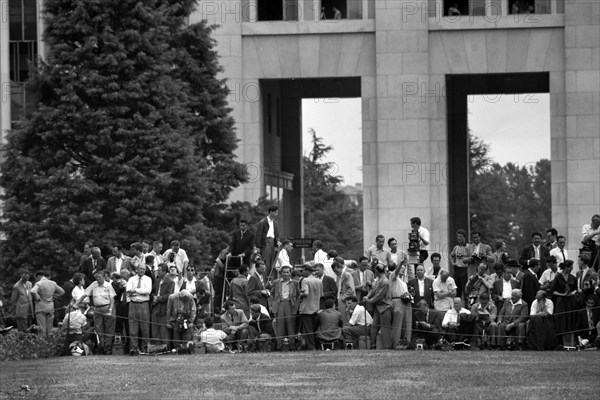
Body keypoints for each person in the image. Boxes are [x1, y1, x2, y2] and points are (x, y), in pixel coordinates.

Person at [83, 270, 116, 354]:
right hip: (97, 309)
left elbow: (112, 299)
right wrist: (76, 303)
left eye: (100, 277)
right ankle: (101, 347)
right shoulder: (94, 285)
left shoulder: (108, 286)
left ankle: (108, 349)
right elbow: (85, 294)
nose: (98, 279)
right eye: (97, 278)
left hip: (107, 307)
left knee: (109, 329)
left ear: (104, 277)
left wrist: (110, 310)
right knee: (99, 329)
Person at [270, 265, 299, 351]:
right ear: (281, 273)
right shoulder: (276, 282)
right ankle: (279, 346)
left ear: (290, 273)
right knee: (280, 325)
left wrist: (296, 304)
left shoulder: (295, 282)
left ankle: (292, 346)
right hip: (280, 304)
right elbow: (271, 293)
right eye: (284, 272)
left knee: (290, 325)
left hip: (290, 304)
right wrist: (273, 303)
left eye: (288, 272)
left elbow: (298, 294)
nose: (286, 274)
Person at [364, 264, 393, 349]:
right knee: (374, 326)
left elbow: (379, 295)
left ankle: (387, 346)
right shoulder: (378, 280)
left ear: (376, 271)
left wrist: (369, 301)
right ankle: (373, 345)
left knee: (385, 328)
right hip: (378, 307)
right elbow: (373, 290)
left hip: (385, 307)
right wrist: (367, 296)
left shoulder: (385, 281)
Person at [126, 264, 153, 355]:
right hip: (133, 304)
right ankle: (134, 348)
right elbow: (128, 290)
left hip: (144, 304)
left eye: (143, 269)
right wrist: (140, 291)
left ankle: (145, 349)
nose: (142, 270)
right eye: (140, 269)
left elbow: (148, 291)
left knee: (145, 327)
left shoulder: (148, 279)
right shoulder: (131, 279)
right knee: (133, 327)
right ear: (137, 269)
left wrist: (136, 290)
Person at [551, 259, 578, 347]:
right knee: (562, 321)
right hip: (561, 301)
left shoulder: (572, 277)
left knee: (571, 320)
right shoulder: (558, 277)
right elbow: (552, 291)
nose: (571, 269)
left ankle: (571, 343)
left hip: (571, 301)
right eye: (570, 267)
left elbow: (576, 289)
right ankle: (564, 343)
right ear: (566, 267)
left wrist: (571, 294)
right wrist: (562, 294)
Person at [31, 270, 65, 337]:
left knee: (42, 328)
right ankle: (50, 343)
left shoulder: (39, 283)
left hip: (41, 307)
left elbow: (33, 291)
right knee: (50, 328)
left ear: (39, 276)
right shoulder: (53, 283)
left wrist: (37, 297)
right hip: (50, 307)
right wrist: (53, 296)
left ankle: (42, 344)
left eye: (36, 278)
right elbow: (62, 292)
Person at [299, 264, 323, 350]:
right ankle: (314, 345)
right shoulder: (319, 280)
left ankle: (311, 346)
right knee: (313, 329)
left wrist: (299, 295)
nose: (302, 272)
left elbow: (305, 293)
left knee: (308, 329)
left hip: (307, 308)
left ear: (307, 271)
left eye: (303, 270)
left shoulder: (305, 280)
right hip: (316, 307)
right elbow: (321, 294)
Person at [388, 262, 412, 349]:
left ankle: (406, 343)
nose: (402, 269)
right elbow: (396, 271)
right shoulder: (393, 277)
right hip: (397, 301)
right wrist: (401, 262)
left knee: (407, 324)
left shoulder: (403, 282)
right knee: (397, 324)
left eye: (403, 268)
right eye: (401, 268)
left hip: (407, 302)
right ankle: (396, 343)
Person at [151, 263, 175, 347]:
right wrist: (153, 297)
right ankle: (156, 347)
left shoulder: (170, 282)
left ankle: (165, 347)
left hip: (164, 308)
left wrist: (159, 298)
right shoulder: (157, 281)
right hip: (155, 307)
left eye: (160, 270)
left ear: (165, 271)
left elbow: (169, 295)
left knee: (164, 329)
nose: (158, 272)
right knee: (155, 328)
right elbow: (153, 291)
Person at [254, 206, 280, 281]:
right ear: (271, 212)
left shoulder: (275, 223)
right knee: (266, 263)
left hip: (272, 243)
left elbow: (276, 234)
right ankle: (264, 281)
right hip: (265, 243)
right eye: (275, 212)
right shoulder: (263, 222)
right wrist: (258, 247)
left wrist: (277, 242)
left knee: (272, 264)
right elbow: (258, 234)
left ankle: (270, 282)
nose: (277, 214)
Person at [332, 260, 355, 324]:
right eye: (334, 271)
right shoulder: (338, 277)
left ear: (340, 268)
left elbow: (351, 289)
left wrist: (343, 297)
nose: (335, 273)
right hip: (339, 300)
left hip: (345, 300)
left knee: (345, 318)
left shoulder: (347, 275)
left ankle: (345, 331)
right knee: (341, 318)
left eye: (336, 271)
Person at [113, 269, 131, 350]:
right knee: (119, 325)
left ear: (128, 276)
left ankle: (128, 344)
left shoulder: (131, 283)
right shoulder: (116, 284)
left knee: (128, 326)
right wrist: (120, 288)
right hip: (120, 306)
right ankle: (119, 344)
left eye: (124, 276)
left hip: (128, 305)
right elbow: (115, 296)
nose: (123, 279)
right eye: (121, 277)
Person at [450, 229, 469, 299]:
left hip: (465, 270)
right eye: (458, 236)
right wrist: (453, 263)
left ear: (464, 237)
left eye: (461, 236)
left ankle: (467, 306)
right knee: (457, 290)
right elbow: (451, 255)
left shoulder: (468, 247)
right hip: (457, 270)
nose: (459, 238)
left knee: (466, 290)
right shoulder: (456, 247)